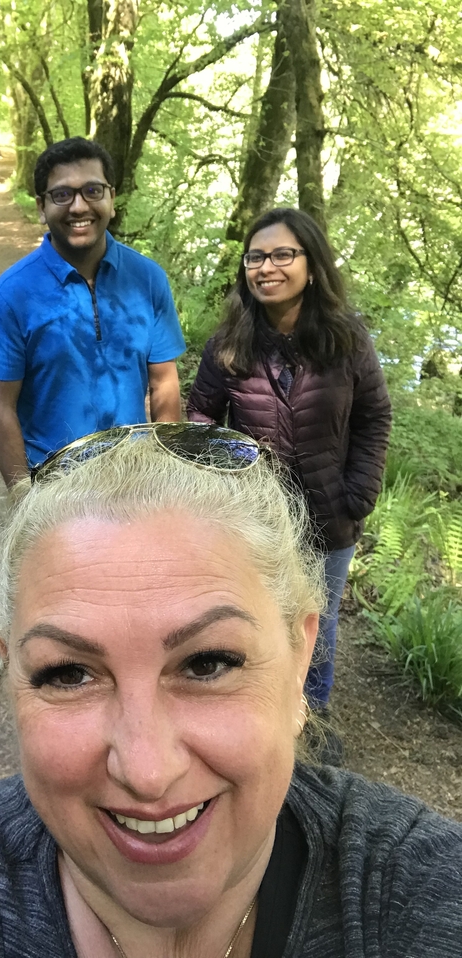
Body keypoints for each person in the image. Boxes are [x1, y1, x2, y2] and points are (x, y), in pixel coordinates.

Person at [0, 423, 462, 958]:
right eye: (68, 674)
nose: (147, 771)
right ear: (12, 678)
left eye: (208, 663)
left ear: (302, 654)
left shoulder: (419, 898)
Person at [187, 208, 392, 761]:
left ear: (310, 263)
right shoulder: (230, 343)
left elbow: (375, 417)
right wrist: (228, 485)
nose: (267, 267)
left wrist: (359, 494)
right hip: (256, 523)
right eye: (256, 256)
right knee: (256, 625)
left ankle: (311, 740)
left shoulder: (346, 339)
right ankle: (258, 732)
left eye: (282, 254)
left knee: (316, 636)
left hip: (331, 519)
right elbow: (201, 420)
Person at [0, 136, 186, 486]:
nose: (79, 206)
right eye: (62, 194)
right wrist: (21, 495)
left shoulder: (148, 279)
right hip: (52, 484)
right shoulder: (11, 293)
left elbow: (164, 382)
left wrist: (167, 472)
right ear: (41, 207)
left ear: (112, 198)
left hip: (135, 478)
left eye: (93, 190)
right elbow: (1, 406)